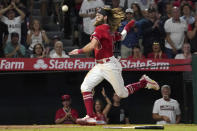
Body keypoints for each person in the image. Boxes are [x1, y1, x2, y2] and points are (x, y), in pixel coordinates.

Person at [69, 7, 160, 125]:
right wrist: (128, 26)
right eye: (96, 15)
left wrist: (79, 51)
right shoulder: (109, 30)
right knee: (85, 87)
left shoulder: (101, 28)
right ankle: (90, 116)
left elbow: (92, 45)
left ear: (105, 17)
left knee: (122, 93)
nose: (97, 16)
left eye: (99, 15)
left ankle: (143, 82)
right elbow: (122, 36)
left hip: (110, 65)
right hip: (100, 65)